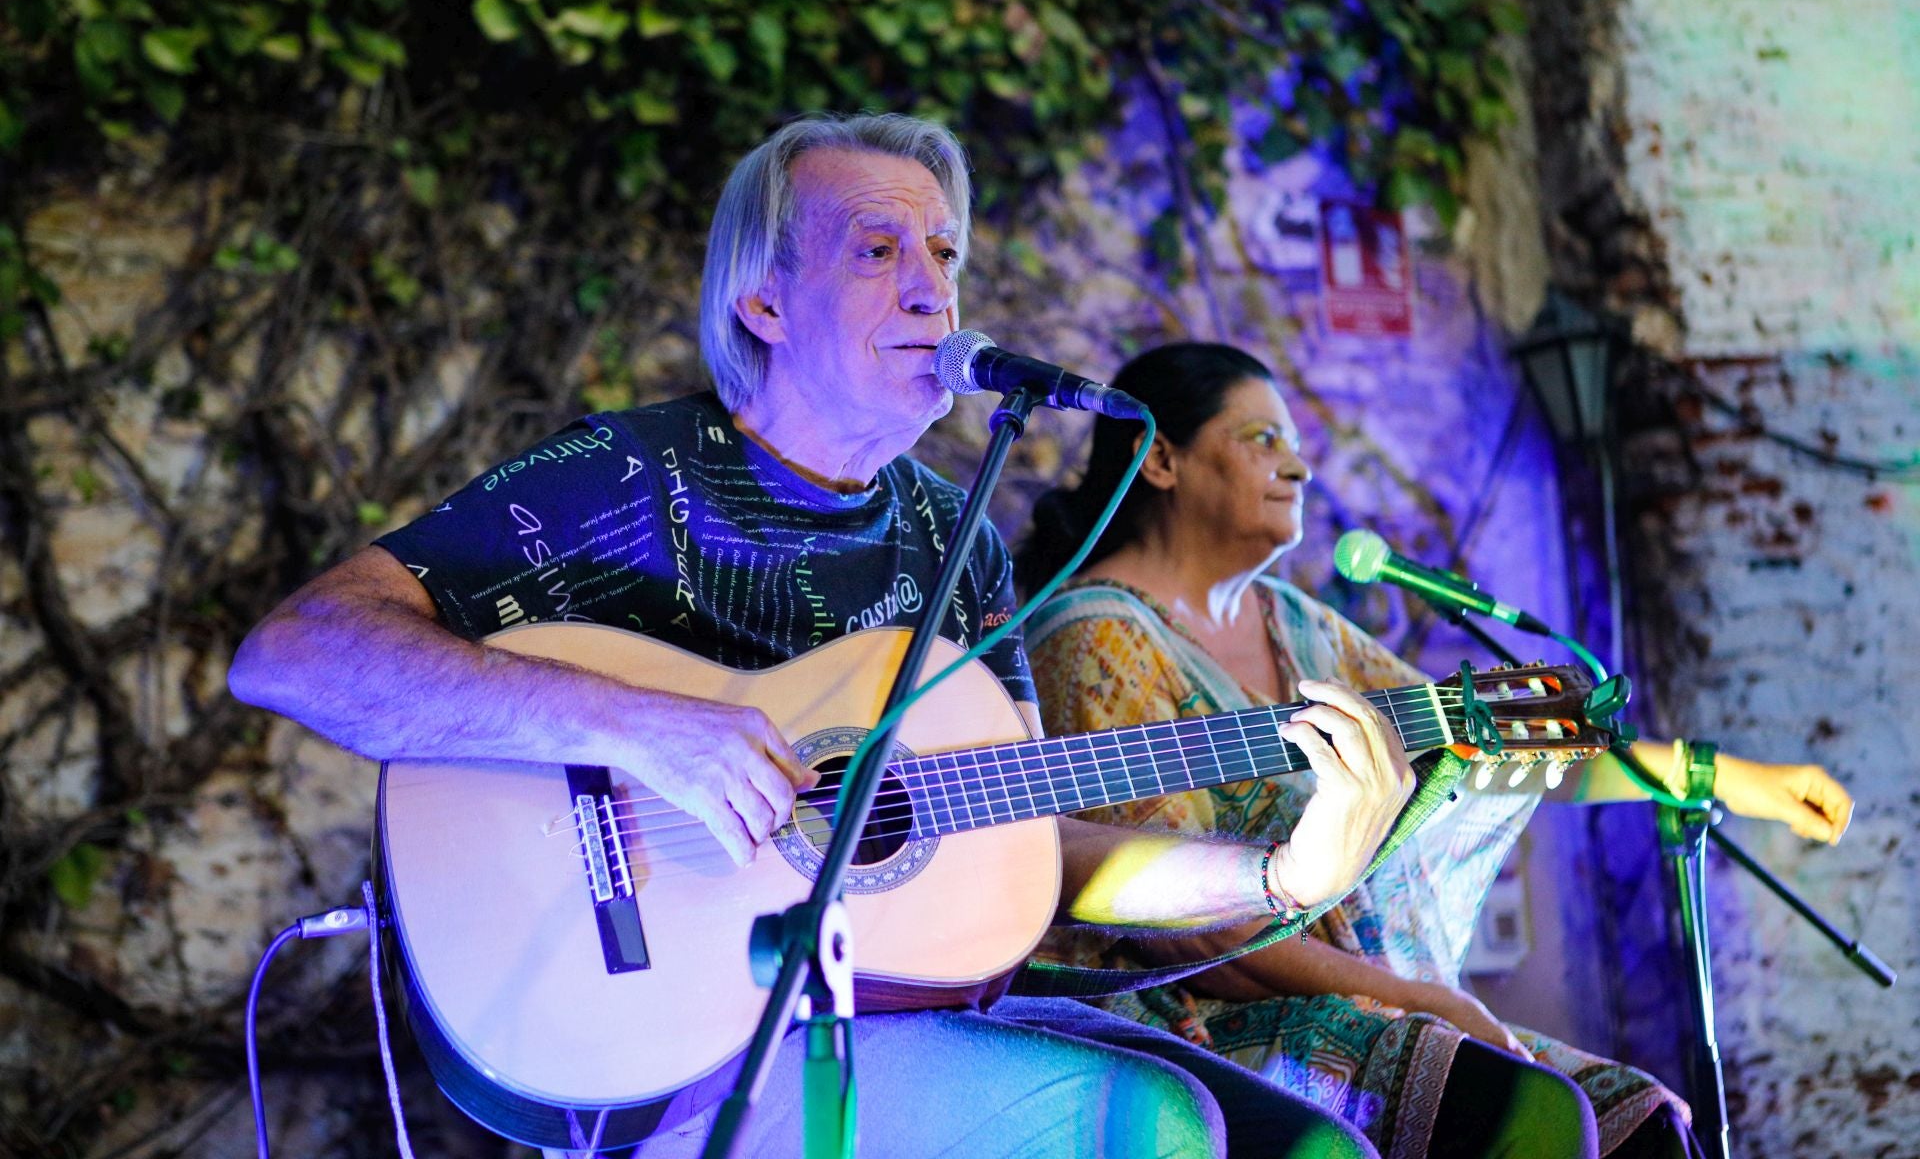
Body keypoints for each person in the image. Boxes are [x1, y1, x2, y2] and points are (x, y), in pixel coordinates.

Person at [228, 116, 1428, 1158]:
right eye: (876, 249)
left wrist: (1280, 875)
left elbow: (1031, 841)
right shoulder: (632, 474)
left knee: (1308, 1140)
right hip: (672, 1052)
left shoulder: (953, 536)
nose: (933, 288)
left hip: (906, 1019)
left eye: (945, 252)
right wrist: (642, 728)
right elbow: (295, 650)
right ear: (762, 298)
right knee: (1144, 1124)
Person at [1015, 342, 1857, 1159]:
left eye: (1299, 445)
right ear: (1160, 459)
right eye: (1262, 439)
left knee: (1641, 1118)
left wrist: (1720, 777)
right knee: (1503, 1102)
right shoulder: (1094, 637)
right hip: (1195, 1023)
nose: (1300, 467)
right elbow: (1185, 935)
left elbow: (1488, 743)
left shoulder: (1295, 622)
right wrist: (1421, 998)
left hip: (1371, 999)